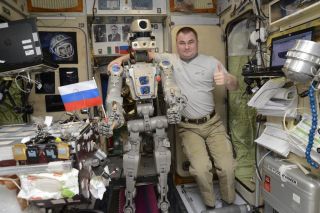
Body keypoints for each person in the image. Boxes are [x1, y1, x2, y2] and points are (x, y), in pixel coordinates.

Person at [107, 26, 238, 209]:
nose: (186, 47)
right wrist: (118, 64)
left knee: (227, 167)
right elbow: (141, 54)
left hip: (213, 123)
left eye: (190, 42)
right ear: (177, 45)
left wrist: (227, 80)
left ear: (197, 43)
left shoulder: (211, 63)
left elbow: (234, 84)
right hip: (188, 127)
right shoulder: (170, 60)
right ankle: (210, 206)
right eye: (182, 43)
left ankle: (230, 203)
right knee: (201, 170)